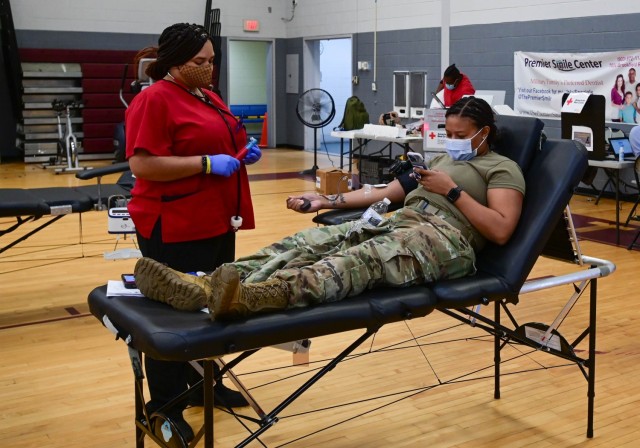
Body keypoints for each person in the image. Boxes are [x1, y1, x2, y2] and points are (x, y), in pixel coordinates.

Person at [134, 97, 524, 323]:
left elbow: (501, 229)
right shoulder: (439, 164)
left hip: (447, 241)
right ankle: (210, 283)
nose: (452, 142)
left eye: (459, 136)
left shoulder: (502, 169)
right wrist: (325, 201)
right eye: (448, 134)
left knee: (361, 260)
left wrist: (453, 192)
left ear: (483, 133)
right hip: (401, 221)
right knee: (310, 241)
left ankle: (252, 297)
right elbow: (383, 193)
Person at [125, 22, 262, 441]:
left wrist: (242, 150)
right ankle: (164, 406)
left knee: (214, 306)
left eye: (212, 60)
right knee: (172, 316)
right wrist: (205, 163)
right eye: (199, 62)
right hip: (175, 224)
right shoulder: (155, 100)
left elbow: (222, 138)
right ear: (174, 63)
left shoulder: (207, 96)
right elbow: (142, 164)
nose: (209, 68)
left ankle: (208, 383)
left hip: (216, 218)